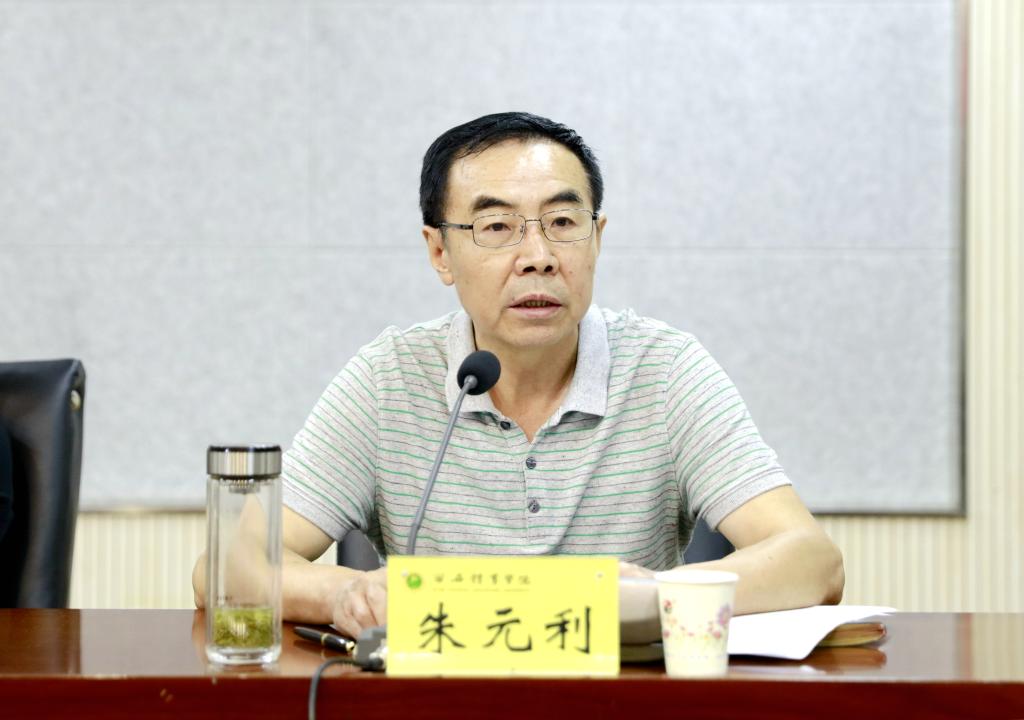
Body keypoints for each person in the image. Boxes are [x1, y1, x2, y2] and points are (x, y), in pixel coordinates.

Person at [193, 112, 844, 637]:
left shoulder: (665, 370)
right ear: (440, 252)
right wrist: (345, 594)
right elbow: (226, 569)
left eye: (562, 223)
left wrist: (655, 595)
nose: (537, 256)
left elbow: (813, 561)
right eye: (497, 226)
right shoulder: (389, 379)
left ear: (597, 238)